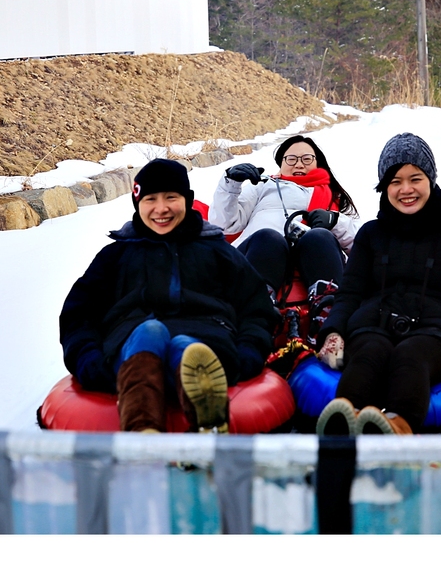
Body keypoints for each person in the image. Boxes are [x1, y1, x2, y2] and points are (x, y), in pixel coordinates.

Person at [58, 158, 281, 433]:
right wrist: (88, 362)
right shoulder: (116, 256)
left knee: (185, 347)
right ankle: (146, 433)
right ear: (137, 204)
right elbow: (78, 314)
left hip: (209, 345)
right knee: (150, 331)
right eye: (150, 199)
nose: (161, 208)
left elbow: (256, 308)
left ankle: (205, 412)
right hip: (129, 351)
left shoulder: (217, 252)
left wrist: (246, 354)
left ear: (187, 200)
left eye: (171, 197)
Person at [313, 133, 441, 436]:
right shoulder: (371, 235)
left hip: (435, 333)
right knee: (369, 354)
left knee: (411, 356)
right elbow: (350, 293)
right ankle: (343, 423)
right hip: (372, 326)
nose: (406, 190)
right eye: (395, 181)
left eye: (415, 178)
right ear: (384, 186)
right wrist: (332, 333)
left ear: (431, 180)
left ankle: (396, 428)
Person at [211, 135, 359, 294]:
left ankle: (326, 302)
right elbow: (225, 225)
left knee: (319, 236)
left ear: (317, 162)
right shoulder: (262, 185)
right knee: (269, 237)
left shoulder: (336, 197)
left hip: (315, 258)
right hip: (259, 254)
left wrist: (336, 221)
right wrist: (231, 185)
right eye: (291, 159)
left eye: (307, 159)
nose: (299, 164)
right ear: (281, 164)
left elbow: (359, 246)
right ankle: (259, 301)